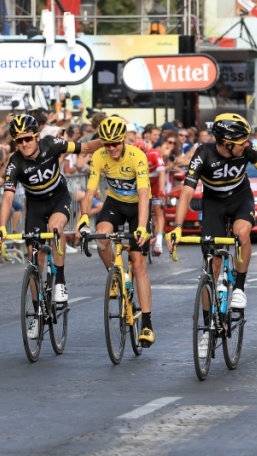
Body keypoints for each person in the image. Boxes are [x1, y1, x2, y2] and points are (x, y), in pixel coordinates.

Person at [168, 114, 257, 350]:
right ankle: (207, 327)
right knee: (211, 266)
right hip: (214, 205)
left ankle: (239, 287)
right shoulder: (204, 154)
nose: (246, 144)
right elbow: (187, 192)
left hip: (241, 200)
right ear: (227, 143)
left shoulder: (247, 152)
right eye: (242, 140)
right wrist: (177, 228)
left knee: (242, 233)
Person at [0, 115, 101, 338]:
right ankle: (38, 312)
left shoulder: (51, 144)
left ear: (36, 136)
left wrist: (112, 141)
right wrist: (1, 227)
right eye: (19, 140)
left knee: (55, 228)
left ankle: (60, 280)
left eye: (28, 138)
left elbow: (86, 146)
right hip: (35, 205)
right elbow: (7, 198)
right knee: (34, 258)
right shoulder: (15, 162)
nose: (24, 144)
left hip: (59, 198)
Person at [77, 117, 156, 345]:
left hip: (137, 207)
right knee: (101, 235)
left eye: (115, 143)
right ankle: (114, 274)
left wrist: (141, 227)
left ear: (123, 141)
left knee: (138, 262)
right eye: (107, 144)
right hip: (115, 203)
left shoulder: (137, 156)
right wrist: (83, 218)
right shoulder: (99, 156)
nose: (111, 148)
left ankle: (148, 324)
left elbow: (143, 194)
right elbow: (90, 190)